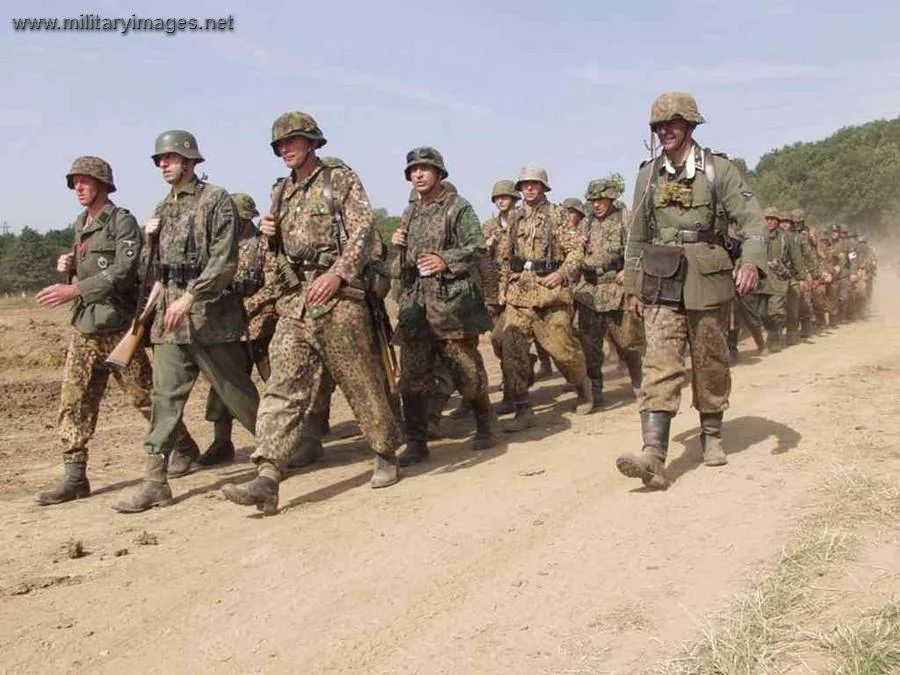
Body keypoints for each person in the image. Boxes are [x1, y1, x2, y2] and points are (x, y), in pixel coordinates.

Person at [222, 111, 403, 515]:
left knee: (362, 381)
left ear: (312, 142)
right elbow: (277, 253)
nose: (285, 149)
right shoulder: (282, 192)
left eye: (292, 141)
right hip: (296, 301)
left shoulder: (338, 178)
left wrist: (339, 274)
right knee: (283, 386)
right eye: (280, 145)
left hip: (338, 300)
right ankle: (267, 474)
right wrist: (271, 238)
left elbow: (364, 231)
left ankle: (386, 452)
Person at [616, 92, 766, 489]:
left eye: (674, 124)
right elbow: (636, 236)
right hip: (661, 279)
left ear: (691, 126)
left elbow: (752, 221)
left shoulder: (719, 170)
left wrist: (750, 261)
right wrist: (632, 286)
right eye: (659, 126)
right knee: (660, 362)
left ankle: (712, 433)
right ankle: (654, 456)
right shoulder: (647, 175)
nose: (666, 131)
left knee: (710, 360)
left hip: (708, 278)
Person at [34, 156, 197, 505]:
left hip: (117, 326)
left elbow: (123, 270)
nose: (78, 187)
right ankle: (75, 477)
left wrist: (75, 289)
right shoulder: (81, 222)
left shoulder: (121, 221)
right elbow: (94, 265)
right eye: (74, 182)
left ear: (103, 184)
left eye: (85, 181)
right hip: (84, 325)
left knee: (144, 397)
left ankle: (183, 445)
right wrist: (70, 265)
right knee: (74, 401)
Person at [112, 130, 260, 513]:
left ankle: (273, 450)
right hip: (170, 321)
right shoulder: (162, 209)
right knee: (165, 398)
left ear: (191, 161)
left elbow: (224, 261)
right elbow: (159, 272)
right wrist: (150, 310)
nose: (163, 164)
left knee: (236, 393)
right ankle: (154, 480)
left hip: (211, 317)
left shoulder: (216, 201)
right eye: (159, 159)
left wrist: (193, 296)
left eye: (171, 158)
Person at [390, 147, 494, 466]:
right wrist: (398, 248)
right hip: (416, 304)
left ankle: (486, 426)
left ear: (439, 173)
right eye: (413, 170)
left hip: (450, 303)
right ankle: (416, 442)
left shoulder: (457, 207)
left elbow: (476, 247)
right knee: (411, 377)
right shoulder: (410, 212)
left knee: (466, 370)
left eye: (425, 169)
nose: (418, 174)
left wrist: (444, 260)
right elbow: (405, 263)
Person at [498, 165, 593, 432]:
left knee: (562, 351)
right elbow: (506, 257)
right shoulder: (514, 218)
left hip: (550, 294)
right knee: (512, 351)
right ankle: (522, 409)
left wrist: (562, 273)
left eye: (534, 184)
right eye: (525, 184)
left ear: (543, 187)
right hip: (519, 293)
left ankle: (582, 385)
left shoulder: (557, 215)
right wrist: (503, 288)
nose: (529, 188)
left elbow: (576, 251)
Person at [197, 192, 278, 466]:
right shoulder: (219, 248)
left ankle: (293, 438)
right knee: (223, 388)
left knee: (279, 385)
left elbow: (276, 284)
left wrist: (251, 303)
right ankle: (222, 442)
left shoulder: (264, 244)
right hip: (230, 329)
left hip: (263, 327)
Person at [572, 176, 643, 405]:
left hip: (616, 287)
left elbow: (639, 248)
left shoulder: (625, 218)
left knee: (626, 341)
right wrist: (577, 244)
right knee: (589, 345)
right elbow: (574, 255)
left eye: (601, 199)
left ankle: (638, 380)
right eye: (592, 200)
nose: (596, 204)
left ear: (611, 198)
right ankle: (596, 390)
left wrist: (629, 272)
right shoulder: (586, 223)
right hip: (590, 290)